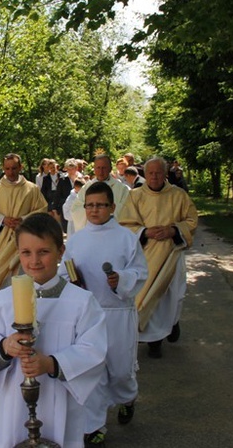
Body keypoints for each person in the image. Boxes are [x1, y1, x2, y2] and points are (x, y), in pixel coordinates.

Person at [0, 213, 107, 448]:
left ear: (61, 252)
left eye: (43, 251)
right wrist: (4, 347)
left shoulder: (82, 302)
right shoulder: (2, 301)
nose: (34, 261)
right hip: (13, 401)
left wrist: (51, 364)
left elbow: (94, 351)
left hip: (62, 400)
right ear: (18, 252)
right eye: (26, 253)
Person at [59, 182, 148, 446]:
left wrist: (120, 279)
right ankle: (94, 425)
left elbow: (140, 272)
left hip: (118, 313)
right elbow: (66, 271)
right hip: (88, 315)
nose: (94, 210)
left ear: (111, 207)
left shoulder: (126, 238)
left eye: (100, 205)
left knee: (120, 371)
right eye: (90, 205)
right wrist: (72, 283)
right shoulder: (75, 240)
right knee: (92, 372)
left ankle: (127, 397)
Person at [119, 157, 198, 359]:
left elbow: (191, 220)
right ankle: (154, 342)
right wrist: (145, 232)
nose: (154, 176)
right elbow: (125, 224)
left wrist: (173, 230)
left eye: (158, 173)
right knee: (148, 297)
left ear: (165, 174)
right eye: (151, 173)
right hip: (145, 255)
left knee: (173, 296)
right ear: (145, 174)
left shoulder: (178, 195)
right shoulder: (135, 196)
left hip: (171, 255)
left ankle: (172, 323)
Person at [0, 153, 48, 303]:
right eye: (7, 168)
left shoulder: (32, 189)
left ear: (20, 167)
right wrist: (2, 220)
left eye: (14, 168)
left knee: (22, 281)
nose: (11, 172)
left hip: (24, 241)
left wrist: (23, 220)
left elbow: (41, 210)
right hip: (0, 242)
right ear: (3, 168)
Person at [70, 154, 130, 232]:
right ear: (94, 169)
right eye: (98, 168)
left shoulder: (122, 189)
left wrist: (105, 213)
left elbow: (127, 210)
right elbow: (75, 209)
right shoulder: (87, 187)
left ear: (110, 169)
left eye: (104, 168)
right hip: (92, 232)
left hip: (113, 232)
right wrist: (92, 212)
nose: (101, 171)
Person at [49, 158, 81, 232]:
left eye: (72, 169)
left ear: (76, 168)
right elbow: (58, 194)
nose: (70, 171)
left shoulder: (81, 178)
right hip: (66, 207)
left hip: (78, 207)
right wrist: (55, 207)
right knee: (67, 229)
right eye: (68, 169)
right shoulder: (63, 179)